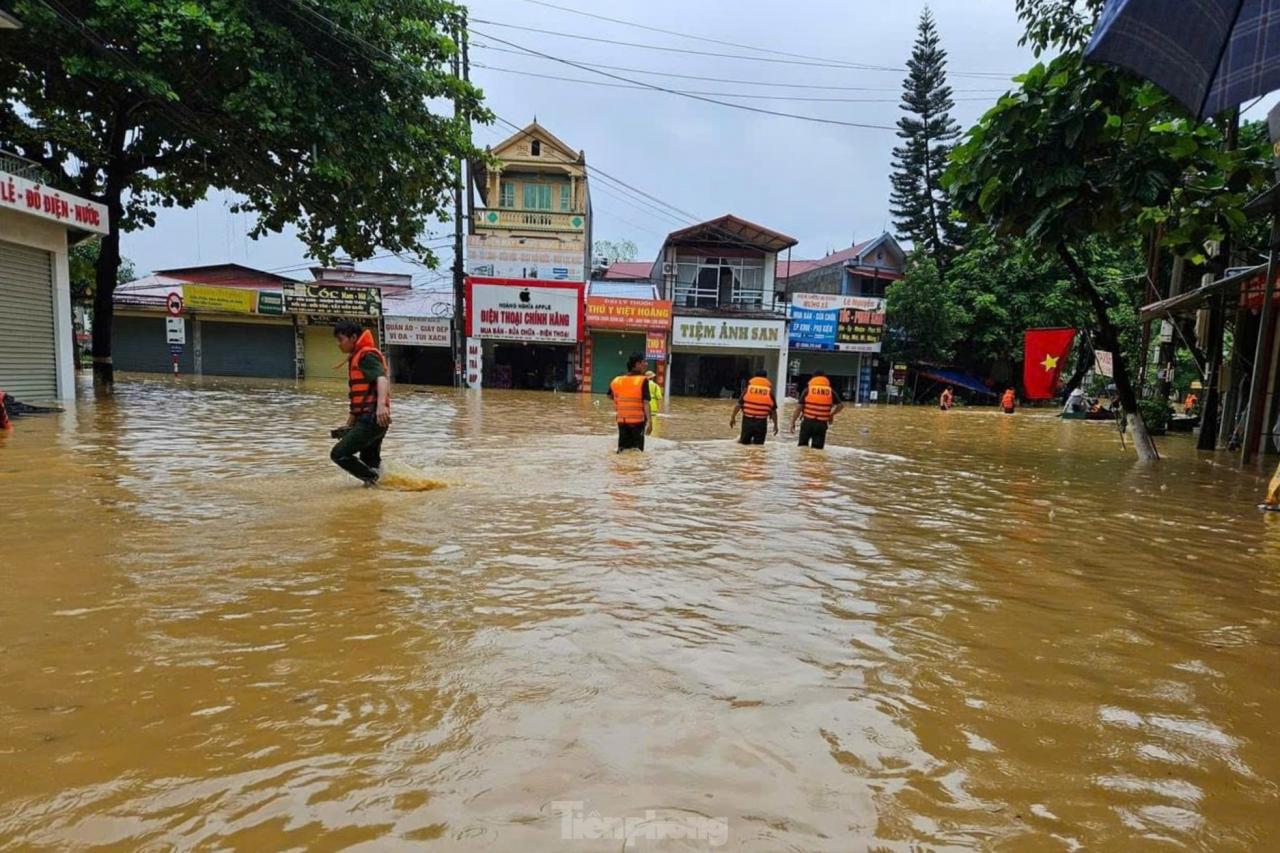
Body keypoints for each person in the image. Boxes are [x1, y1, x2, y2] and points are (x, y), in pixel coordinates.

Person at [329, 321, 391, 486]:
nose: (338, 344)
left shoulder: (365, 356)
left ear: (353, 337)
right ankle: (382, 490)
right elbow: (359, 398)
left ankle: (375, 481)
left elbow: (381, 379)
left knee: (339, 454)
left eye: (341, 339)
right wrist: (349, 424)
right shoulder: (358, 356)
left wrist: (381, 407)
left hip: (372, 418)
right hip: (374, 419)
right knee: (369, 459)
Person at [790, 370, 845, 449]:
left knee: (802, 448)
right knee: (817, 450)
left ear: (813, 378)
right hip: (821, 424)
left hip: (807, 422)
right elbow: (840, 406)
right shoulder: (830, 391)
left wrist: (793, 422)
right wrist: (831, 414)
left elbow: (799, 408)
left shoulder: (808, 389)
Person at [608, 353, 652, 452]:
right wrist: (650, 422)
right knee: (637, 452)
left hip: (622, 421)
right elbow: (646, 402)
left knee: (622, 450)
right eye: (644, 362)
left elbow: (609, 395)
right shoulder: (643, 380)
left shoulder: (617, 380)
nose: (646, 364)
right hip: (638, 422)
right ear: (637, 364)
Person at [730, 369, 777, 444]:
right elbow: (774, 411)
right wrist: (775, 425)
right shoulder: (769, 392)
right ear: (766, 378)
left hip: (747, 421)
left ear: (755, 377)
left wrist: (733, 417)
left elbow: (738, 405)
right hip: (761, 422)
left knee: (744, 445)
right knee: (758, 446)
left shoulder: (748, 389)